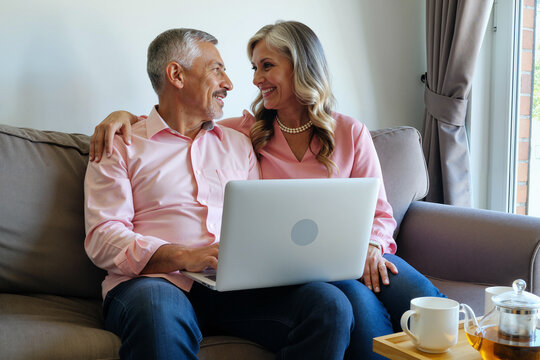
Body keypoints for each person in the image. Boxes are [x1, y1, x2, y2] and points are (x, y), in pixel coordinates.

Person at [90, 21, 445, 359]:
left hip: (239, 283)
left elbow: (268, 223)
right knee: (156, 310)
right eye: (218, 69)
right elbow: (103, 237)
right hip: (158, 281)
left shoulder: (239, 141)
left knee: (333, 303)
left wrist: (370, 245)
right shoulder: (123, 143)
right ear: (176, 75)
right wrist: (183, 256)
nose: (232, 82)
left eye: (263, 66)